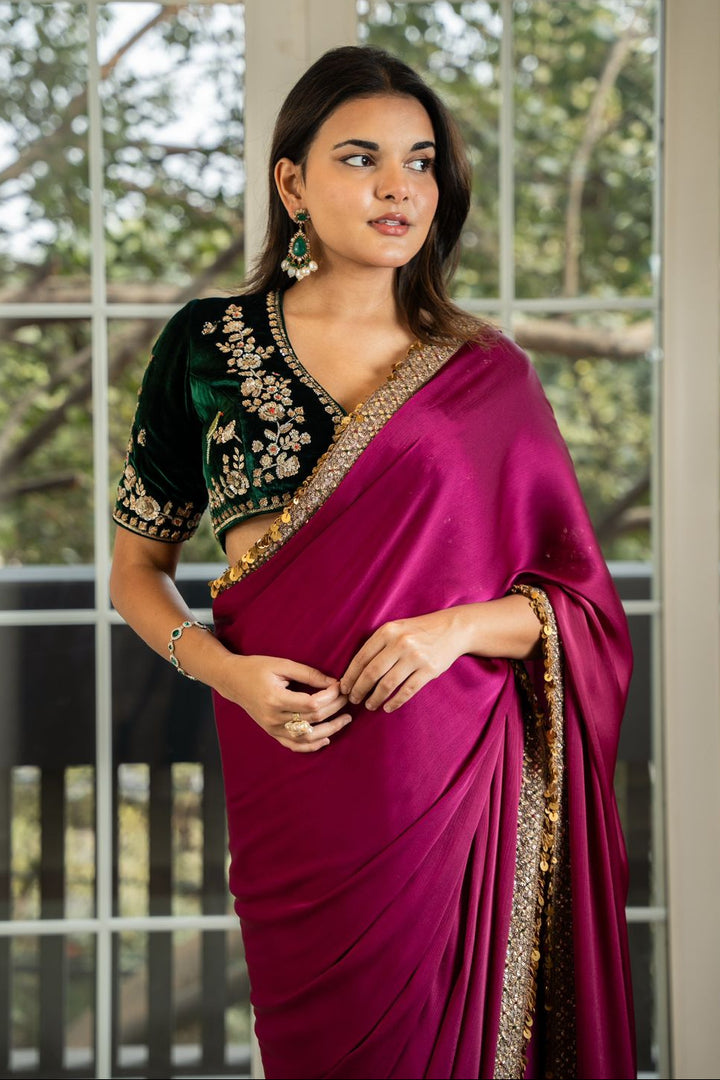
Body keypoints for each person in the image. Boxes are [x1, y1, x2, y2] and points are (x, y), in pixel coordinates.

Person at [110, 45, 636, 1080]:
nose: (399, 186)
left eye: (421, 160)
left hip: (448, 768)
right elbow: (136, 570)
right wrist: (222, 670)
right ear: (293, 181)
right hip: (290, 765)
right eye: (361, 158)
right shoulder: (206, 346)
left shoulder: (488, 374)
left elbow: (575, 604)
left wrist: (452, 629)